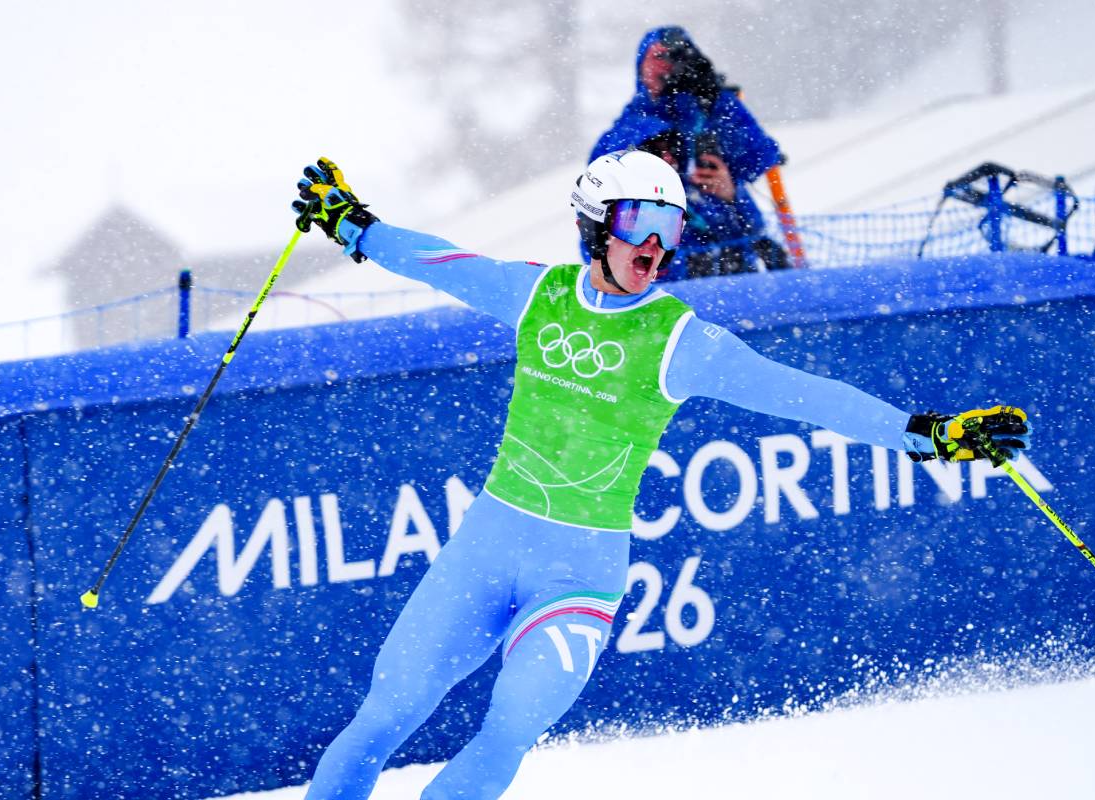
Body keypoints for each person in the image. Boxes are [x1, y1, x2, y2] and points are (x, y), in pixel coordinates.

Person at [291, 152, 1031, 800]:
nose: (654, 246)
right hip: (483, 554)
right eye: (639, 222)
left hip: (577, 577)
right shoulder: (539, 294)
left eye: (670, 228)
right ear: (593, 224)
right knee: (385, 715)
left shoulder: (681, 339)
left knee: (511, 723)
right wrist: (354, 225)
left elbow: (800, 394)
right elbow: (437, 259)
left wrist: (925, 436)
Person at [590, 26, 792, 279]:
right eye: (658, 57)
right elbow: (595, 225)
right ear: (641, 65)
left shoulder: (713, 115)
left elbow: (757, 164)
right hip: (666, 282)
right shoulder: (625, 132)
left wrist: (730, 192)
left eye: (675, 57)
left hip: (735, 274)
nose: (665, 66)